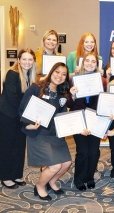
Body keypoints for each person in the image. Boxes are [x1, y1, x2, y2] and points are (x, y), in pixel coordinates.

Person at [19, 62, 72, 201]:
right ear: (51, 71)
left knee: (66, 163)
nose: (59, 76)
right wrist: (29, 125)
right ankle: (40, 186)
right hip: (39, 134)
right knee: (55, 166)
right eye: (57, 72)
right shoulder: (36, 88)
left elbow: (62, 115)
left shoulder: (62, 93)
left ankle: (51, 182)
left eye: (63, 74)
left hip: (55, 133)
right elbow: (22, 109)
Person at [0, 48, 37, 189]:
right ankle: (5, 176)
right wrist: (26, 116)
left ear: (33, 61)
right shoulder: (12, 74)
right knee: (7, 146)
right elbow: (13, 99)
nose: (27, 62)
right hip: (8, 117)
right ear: (19, 60)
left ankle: (16, 174)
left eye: (30, 59)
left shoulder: (29, 75)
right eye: (24, 59)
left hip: (20, 117)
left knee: (19, 146)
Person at [69, 53, 106, 191]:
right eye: (87, 61)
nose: (90, 63)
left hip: (95, 120)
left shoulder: (102, 81)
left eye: (93, 61)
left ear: (97, 64)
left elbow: (105, 101)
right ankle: (78, 178)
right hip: (79, 120)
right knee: (83, 152)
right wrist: (72, 95)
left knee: (94, 152)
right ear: (83, 63)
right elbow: (67, 102)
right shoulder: (73, 80)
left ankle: (89, 177)